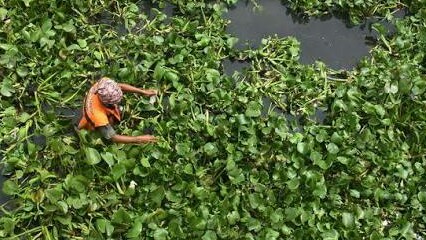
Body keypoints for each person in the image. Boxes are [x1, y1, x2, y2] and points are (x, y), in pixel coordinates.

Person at [77, 77, 158, 144]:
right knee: (107, 134)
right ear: (106, 103)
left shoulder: (103, 84)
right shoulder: (99, 117)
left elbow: (120, 86)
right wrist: (138, 139)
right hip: (89, 122)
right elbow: (113, 137)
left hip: (92, 105)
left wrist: (142, 92)